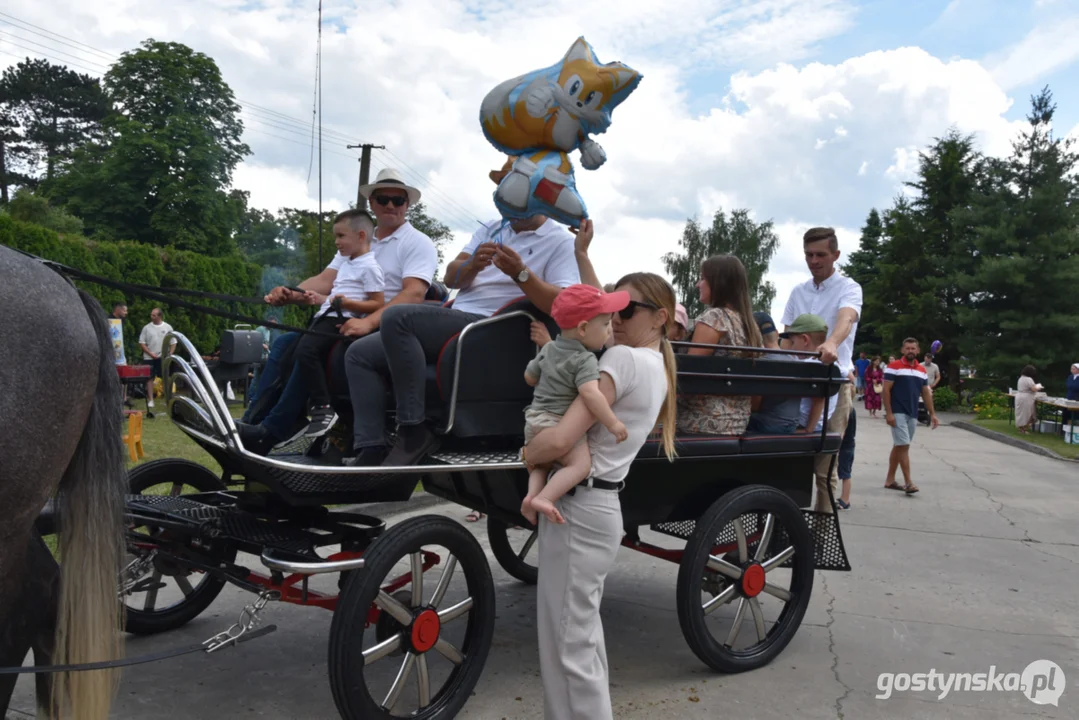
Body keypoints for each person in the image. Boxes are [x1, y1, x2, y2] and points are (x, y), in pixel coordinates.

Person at [521, 226, 677, 719]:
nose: (616, 316)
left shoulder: (622, 358)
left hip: (581, 505)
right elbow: (596, 305)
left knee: (568, 643)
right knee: (578, 639)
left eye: (627, 311)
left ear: (660, 318)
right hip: (593, 504)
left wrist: (527, 456)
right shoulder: (652, 364)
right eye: (615, 309)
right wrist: (582, 257)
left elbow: (561, 440)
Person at [347, 211, 579, 467]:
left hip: (492, 327)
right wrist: (471, 266)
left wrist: (520, 273)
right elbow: (450, 278)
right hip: (457, 316)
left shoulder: (559, 240)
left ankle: (413, 429)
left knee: (397, 317)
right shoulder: (491, 227)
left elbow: (563, 306)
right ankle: (371, 446)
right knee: (360, 354)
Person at [239, 169, 439, 454]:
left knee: (308, 347)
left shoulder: (417, 243)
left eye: (399, 200)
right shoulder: (357, 242)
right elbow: (325, 280)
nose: (391, 206)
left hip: (385, 324)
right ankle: (253, 420)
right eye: (384, 199)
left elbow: (413, 294)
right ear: (372, 202)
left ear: (408, 205)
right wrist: (289, 291)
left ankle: (274, 429)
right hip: (343, 317)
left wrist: (368, 322)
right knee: (284, 343)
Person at [521, 284, 630, 526]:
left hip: (534, 421)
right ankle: (545, 498)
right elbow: (591, 395)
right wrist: (613, 423)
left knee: (540, 464)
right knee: (580, 465)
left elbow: (529, 377)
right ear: (583, 328)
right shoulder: (585, 359)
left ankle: (530, 498)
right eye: (605, 325)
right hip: (557, 421)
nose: (609, 330)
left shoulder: (548, 348)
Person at [781, 226, 862, 513]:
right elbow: (787, 336)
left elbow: (847, 318)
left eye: (820, 255)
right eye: (808, 255)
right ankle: (783, 528)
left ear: (835, 255)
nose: (814, 261)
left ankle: (822, 535)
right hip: (798, 384)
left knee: (825, 471)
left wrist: (831, 342)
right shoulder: (798, 291)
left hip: (833, 383)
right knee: (786, 463)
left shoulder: (849, 288)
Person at [292, 210, 385, 437]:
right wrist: (321, 299)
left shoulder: (370, 267)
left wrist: (348, 303)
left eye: (341, 236)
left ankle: (323, 408)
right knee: (292, 354)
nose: (337, 242)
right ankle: (296, 418)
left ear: (361, 236)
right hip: (326, 315)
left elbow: (377, 303)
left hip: (337, 320)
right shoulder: (347, 263)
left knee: (306, 351)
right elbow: (336, 296)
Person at [677, 254, 762, 435]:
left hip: (701, 420)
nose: (697, 284)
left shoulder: (714, 318)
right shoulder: (750, 325)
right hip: (737, 423)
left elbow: (688, 374)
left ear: (718, 283)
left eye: (702, 279)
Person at [882, 337, 939, 494]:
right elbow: (886, 391)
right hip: (897, 411)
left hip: (912, 413)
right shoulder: (893, 367)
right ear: (902, 350)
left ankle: (890, 480)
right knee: (904, 446)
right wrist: (889, 413)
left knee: (899, 445)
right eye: (907, 348)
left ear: (918, 351)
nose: (910, 351)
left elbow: (926, 392)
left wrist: (932, 414)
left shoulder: (921, 371)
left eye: (913, 348)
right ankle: (908, 483)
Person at [780, 314, 836, 436]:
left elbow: (819, 399)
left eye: (793, 342)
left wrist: (807, 430)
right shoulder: (830, 365)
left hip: (802, 424)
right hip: (821, 424)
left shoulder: (808, 366)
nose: (792, 347)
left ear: (805, 340)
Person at [747, 311, 800, 434]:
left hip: (767, 426)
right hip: (791, 425)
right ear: (776, 334)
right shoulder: (794, 362)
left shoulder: (760, 364)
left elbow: (754, 406)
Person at [138, 307, 175, 408]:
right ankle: (151, 400)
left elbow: (173, 342)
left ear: (160, 316)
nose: (152, 317)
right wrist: (150, 353)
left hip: (163, 357)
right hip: (149, 357)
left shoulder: (168, 327)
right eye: (151, 315)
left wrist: (170, 354)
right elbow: (142, 343)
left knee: (165, 378)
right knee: (149, 378)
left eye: (154, 315)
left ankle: (167, 399)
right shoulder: (146, 328)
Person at [836, 372, 857, 510]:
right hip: (848, 445)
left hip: (845, 445)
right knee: (845, 472)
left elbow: (844, 431)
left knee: (844, 472)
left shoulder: (846, 410)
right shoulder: (851, 409)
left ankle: (845, 499)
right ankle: (845, 498)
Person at [1015, 365, 1043, 434]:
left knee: (1020, 413)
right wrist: (1038, 387)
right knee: (1027, 414)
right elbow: (1033, 389)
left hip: (1019, 396)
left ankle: (1020, 428)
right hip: (1026, 398)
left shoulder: (1021, 378)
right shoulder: (1028, 379)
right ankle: (1024, 429)